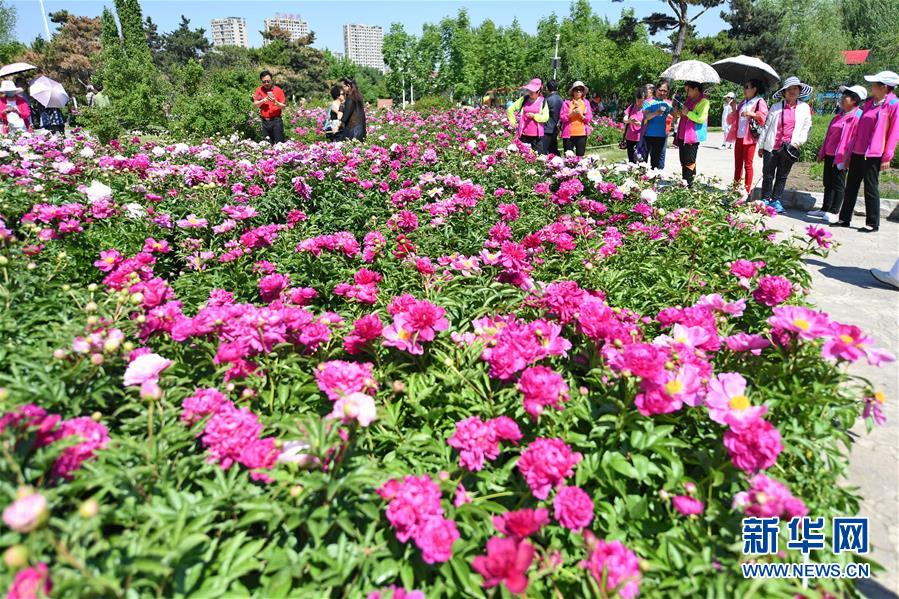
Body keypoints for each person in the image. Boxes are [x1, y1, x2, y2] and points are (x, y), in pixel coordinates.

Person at [835, 71, 899, 233]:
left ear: (884, 87)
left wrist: (887, 156)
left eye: (874, 85)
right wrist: (849, 154)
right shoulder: (869, 104)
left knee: (870, 187)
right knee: (851, 186)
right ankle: (844, 218)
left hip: (874, 154)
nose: (871, 87)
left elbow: (894, 133)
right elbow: (858, 132)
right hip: (857, 151)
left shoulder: (893, 105)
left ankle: (872, 223)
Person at [809, 85, 865, 223]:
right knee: (828, 182)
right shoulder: (838, 116)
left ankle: (834, 211)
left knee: (838, 184)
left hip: (841, 156)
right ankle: (825, 208)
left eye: (845, 96)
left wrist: (848, 158)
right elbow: (829, 136)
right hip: (829, 154)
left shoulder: (857, 118)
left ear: (854, 100)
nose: (841, 99)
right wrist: (822, 152)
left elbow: (855, 140)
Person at [758, 76, 813, 213]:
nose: (792, 91)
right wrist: (761, 145)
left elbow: (806, 127)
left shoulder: (804, 108)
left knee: (782, 175)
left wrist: (798, 141)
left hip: (789, 148)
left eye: (795, 89)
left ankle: (776, 200)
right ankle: (765, 199)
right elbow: (766, 126)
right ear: (784, 92)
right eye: (789, 89)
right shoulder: (776, 107)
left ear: (799, 91)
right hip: (772, 146)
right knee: (768, 174)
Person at [727, 79, 768, 196]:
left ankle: (747, 190)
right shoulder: (742, 102)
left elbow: (764, 118)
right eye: (744, 87)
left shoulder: (759, 102)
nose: (744, 89)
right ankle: (735, 189)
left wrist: (752, 114)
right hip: (739, 137)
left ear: (754, 89)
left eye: (747, 87)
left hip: (750, 138)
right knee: (737, 164)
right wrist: (734, 109)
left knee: (748, 164)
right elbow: (731, 120)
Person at [673, 81, 710, 187]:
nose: (687, 93)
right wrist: (680, 111)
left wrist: (687, 113)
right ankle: (685, 182)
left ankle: (689, 184)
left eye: (688, 90)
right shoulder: (689, 99)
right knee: (683, 161)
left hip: (692, 136)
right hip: (682, 135)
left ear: (696, 89)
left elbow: (701, 119)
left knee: (690, 162)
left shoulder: (704, 102)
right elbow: (684, 114)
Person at [507, 78, 548, 153]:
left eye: (533, 91)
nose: (531, 92)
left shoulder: (543, 101)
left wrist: (534, 116)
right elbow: (510, 109)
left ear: (539, 91)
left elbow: (545, 117)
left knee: (537, 158)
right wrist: (512, 121)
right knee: (523, 156)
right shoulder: (524, 99)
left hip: (537, 137)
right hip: (524, 134)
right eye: (530, 90)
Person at [642, 80, 673, 170]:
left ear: (668, 92)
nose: (662, 93)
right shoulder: (648, 102)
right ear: (656, 89)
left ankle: (653, 180)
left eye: (665, 91)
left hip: (660, 135)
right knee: (643, 160)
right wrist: (656, 113)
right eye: (660, 90)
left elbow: (675, 115)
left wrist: (675, 108)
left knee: (656, 161)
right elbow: (646, 116)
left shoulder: (668, 103)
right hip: (647, 135)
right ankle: (641, 180)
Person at [560, 81, 592, 157]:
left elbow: (589, 118)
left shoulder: (586, 103)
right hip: (569, 134)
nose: (578, 92)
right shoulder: (567, 103)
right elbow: (562, 117)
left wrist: (581, 116)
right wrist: (571, 114)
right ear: (572, 91)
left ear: (583, 92)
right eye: (576, 89)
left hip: (581, 134)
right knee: (568, 157)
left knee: (580, 157)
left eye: (580, 90)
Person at [253, 70, 286, 144]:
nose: (266, 83)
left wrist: (276, 102)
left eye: (268, 81)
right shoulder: (259, 90)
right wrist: (263, 100)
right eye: (264, 82)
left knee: (279, 144)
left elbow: (283, 106)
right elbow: (255, 105)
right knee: (267, 145)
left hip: (276, 121)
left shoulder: (278, 90)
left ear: (271, 80)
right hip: (264, 121)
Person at [337, 78, 367, 142]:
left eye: (343, 87)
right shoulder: (358, 96)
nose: (342, 90)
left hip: (353, 130)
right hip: (360, 128)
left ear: (348, 86)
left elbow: (346, 116)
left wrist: (340, 124)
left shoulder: (350, 98)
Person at [622, 87, 647, 163]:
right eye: (637, 100)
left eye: (641, 101)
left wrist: (640, 124)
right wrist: (629, 121)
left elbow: (649, 123)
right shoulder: (631, 107)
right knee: (631, 161)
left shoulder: (647, 109)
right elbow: (624, 119)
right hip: (630, 138)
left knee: (641, 160)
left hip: (641, 139)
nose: (639, 103)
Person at [541, 79, 563, 155]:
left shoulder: (547, 99)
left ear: (547, 88)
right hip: (556, 128)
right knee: (553, 150)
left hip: (547, 128)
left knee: (543, 151)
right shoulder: (560, 99)